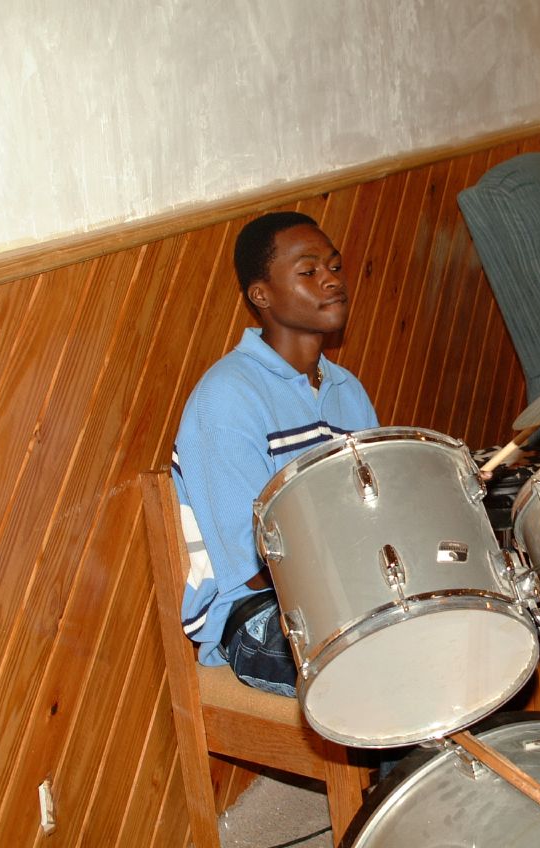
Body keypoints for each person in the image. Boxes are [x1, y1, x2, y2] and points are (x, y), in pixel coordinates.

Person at [172, 211, 378, 692]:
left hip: (347, 591)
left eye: (334, 266)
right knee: (379, 670)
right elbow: (253, 565)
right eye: (308, 272)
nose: (331, 281)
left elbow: (373, 507)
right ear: (261, 296)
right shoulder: (225, 398)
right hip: (254, 618)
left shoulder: (347, 388)